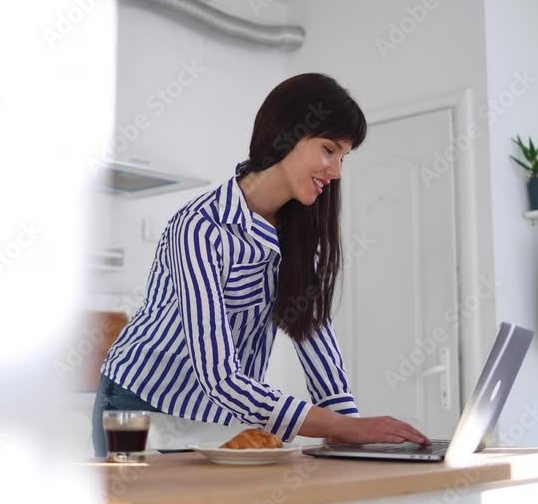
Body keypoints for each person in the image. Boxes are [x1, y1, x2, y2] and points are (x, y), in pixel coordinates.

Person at [92, 72, 430, 458]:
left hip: (220, 413)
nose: (336, 172)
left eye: (343, 157)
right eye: (328, 149)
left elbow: (313, 332)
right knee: (144, 498)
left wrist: (352, 432)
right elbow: (221, 378)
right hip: (139, 402)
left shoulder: (300, 234)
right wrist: (342, 426)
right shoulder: (200, 228)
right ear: (286, 134)